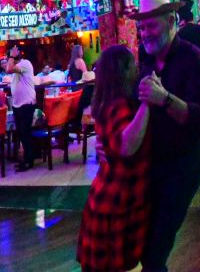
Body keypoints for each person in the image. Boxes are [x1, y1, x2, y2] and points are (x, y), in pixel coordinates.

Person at [134, 0, 200, 271]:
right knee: (146, 246)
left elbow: (199, 122)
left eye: (151, 26)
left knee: (156, 251)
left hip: (185, 160)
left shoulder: (192, 57)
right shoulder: (146, 60)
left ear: (171, 20)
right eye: (142, 27)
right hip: (156, 160)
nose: (145, 33)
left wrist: (164, 98)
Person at [76, 46, 151, 272]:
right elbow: (125, 145)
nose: (136, 69)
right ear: (123, 70)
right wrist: (148, 103)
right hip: (117, 199)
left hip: (106, 196)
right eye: (132, 64)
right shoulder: (118, 105)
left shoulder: (106, 102)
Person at [5, 44, 37, 171]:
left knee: (25, 133)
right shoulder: (15, 67)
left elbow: (8, 69)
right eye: (11, 52)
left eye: (15, 51)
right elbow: (9, 69)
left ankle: (29, 161)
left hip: (26, 104)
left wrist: (11, 56)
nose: (13, 53)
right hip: (18, 105)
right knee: (21, 133)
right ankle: (26, 158)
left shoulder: (25, 63)